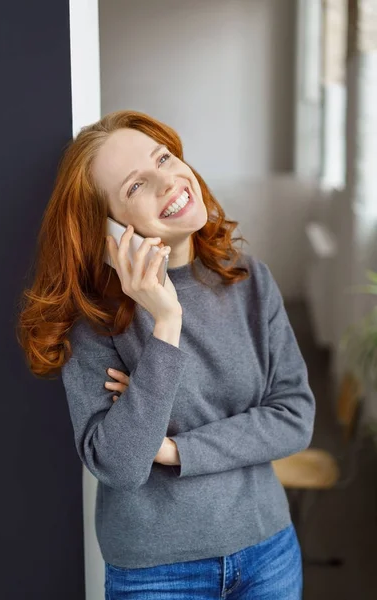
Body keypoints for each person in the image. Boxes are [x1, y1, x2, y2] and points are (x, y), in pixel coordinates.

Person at [17, 110, 316, 599]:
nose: (169, 181)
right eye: (136, 186)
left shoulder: (249, 280)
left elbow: (294, 416)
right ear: (109, 227)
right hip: (157, 573)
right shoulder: (93, 318)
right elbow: (121, 465)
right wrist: (165, 323)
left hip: (267, 549)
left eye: (165, 158)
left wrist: (175, 450)